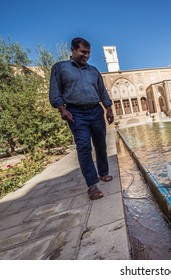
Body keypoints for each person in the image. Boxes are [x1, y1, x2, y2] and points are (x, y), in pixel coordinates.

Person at [49, 37, 114, 200]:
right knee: (84, 146)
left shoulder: (93, 71)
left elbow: (102, 91)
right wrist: (62, 109)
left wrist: (109, 109)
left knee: (100, 144)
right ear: (73, 50)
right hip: (76, 114)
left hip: (95, 111)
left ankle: (103, 173)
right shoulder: (60, 68)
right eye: (83, 52)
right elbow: (55, 92)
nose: (86, 55)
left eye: (88, 53)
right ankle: (92, 185)